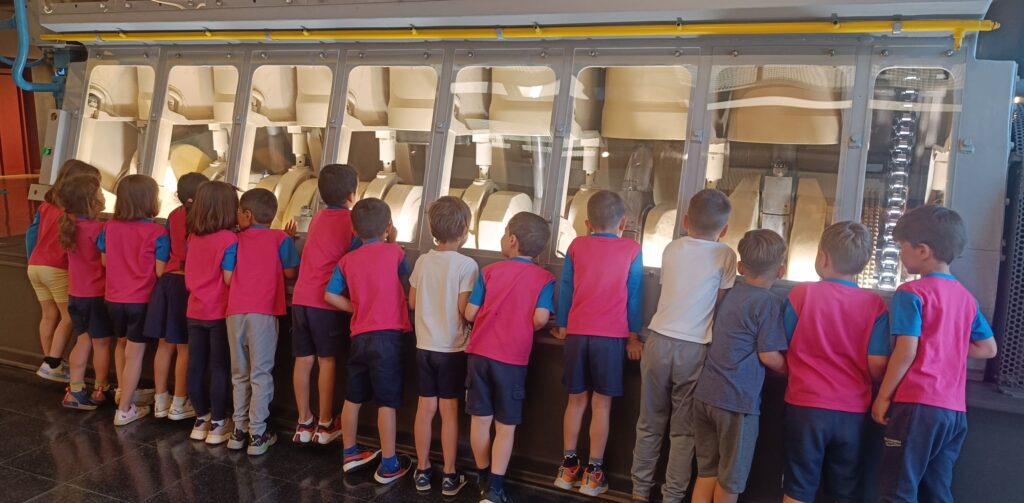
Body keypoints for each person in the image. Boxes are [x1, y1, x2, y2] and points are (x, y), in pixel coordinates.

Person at [871, 205, 998, 503]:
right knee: (936, 490)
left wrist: (883, 396)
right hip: (953, 412)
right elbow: (988, 348)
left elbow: (906, 351)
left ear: (923, 250)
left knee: (898, 490)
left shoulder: (910, 293)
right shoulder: (966, 299)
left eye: (902, 247)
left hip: (916, 406)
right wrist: (946, 346)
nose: (900, 255)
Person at [631, 188, 737, 503]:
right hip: (694, 347)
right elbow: (719, 303)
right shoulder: (726, 255)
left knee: (649, 422)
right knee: (684, 431)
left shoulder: (671, 248)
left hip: (658, 340)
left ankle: (639, 491)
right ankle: (673, 496)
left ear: (686, 220)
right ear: (725, 229)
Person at [782, 222, 890, 503]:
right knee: (845, 489)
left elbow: (783, 343)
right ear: (863, 264)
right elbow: (877, 364)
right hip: (852, 412)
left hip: (805, 406)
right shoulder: (875, 305)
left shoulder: (801, 294)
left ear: (822, 257)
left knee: (798, 485)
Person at [553, 190, 644, 497]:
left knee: (575, 401)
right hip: (611, 338)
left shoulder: (576, 246)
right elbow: (635, 295)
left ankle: (567, 468)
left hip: (577, 334)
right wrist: (634, 335)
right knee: (601, 405)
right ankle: (593, 474)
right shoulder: (632, 249)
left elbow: (566, 288)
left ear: (588, 223)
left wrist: (563, 325)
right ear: (624, 223)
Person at [691, 229, 789, 503]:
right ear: (781, 271)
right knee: (730, 479)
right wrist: (791, 371)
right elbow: (769, 355)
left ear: (740, 266)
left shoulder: (730, 294)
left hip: (705, 394)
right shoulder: (768, 302)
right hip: (737, 402)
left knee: (707, 472)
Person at [464, 212, 555, 503]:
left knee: (480, 419)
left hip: (479, 354)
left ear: (512, 240)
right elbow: (540, 318)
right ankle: (495, 489)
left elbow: (470, 313)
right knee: (505, 425)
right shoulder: (545, 278)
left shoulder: (489, 271)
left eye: (505, 234)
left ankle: (481, 476)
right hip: (512, 360)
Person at [324, 197, 412, 483]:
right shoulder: (395, 252)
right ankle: (389, 464)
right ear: (388, 227)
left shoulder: (347, 260)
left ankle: (350, 453)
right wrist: (392, 241)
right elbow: (405, 278)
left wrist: (356, 308)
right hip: (388, 338)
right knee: (386, 402)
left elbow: (330, 294)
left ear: (354, 230)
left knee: (353, 397)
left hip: (359, 337)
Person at [408, 196, 478, 496]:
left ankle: (423, 470)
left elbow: (412, 302)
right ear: (463, 230)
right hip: (452, 349)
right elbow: (465, 309)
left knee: (425, 408)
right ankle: (449, 473)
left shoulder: (423, 260)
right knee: (449, 410)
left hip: (424, 345)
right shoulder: (467, 265)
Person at [224, 188, 299, 456]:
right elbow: (290, 272)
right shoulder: (281, 239)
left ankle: (238, 430)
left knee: (239, 373)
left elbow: (228, 278)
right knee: (261, 373)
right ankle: (257, 434)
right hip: (264, 314)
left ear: (248, 215)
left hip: (235, 313)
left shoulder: (234, 240)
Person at [291, 164, 360, 445]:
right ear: (352, 195)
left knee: (304, 359)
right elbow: (356, 254)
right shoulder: (351, 221)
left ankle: (303, 421)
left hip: (300, 299)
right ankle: (325, 422)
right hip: (325, 303)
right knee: (327, 360)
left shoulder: (318, 217)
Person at [99, 174, 169, 426]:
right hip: (140, 300)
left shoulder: (109, 227)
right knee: (135, 354)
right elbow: (160, 271)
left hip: (113, 298)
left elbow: (104, 261)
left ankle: (122, 391)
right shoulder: (157, 232)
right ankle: (125, 409)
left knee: (121, 344)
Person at [27, 159, 101, 382]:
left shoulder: (45, 206)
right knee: (68, 317)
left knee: (49, 314)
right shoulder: (73, 213)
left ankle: (51, 362)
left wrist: (32, 259)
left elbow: (32, 234)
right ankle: (53, 363)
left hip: (35, 266)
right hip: (57, 268)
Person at [146, 172, 208, 421]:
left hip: (167, 281)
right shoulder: (206, 218)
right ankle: (180, 402)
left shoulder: (173, 215)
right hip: (187, 285)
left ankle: (160, 399)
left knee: (164, 345)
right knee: (185, 348)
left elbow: (164, 249)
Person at [184, 181, 239, 444]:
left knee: (195, 365)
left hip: (194, 309)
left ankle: (200, 418)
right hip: (218, 311)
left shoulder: (193, 237)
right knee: (219, 367)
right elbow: (229, 277)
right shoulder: (229, 239)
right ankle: (218, 422)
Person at [58, 173, 114, 410]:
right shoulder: (100, 228)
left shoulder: (69, 227)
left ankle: (75, 389)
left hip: (76, 295)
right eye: (100, 192)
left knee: (82, 341)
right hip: (96, 295)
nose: (103, 195)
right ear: (92, 201)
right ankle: (100, 389)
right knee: (101, 344)